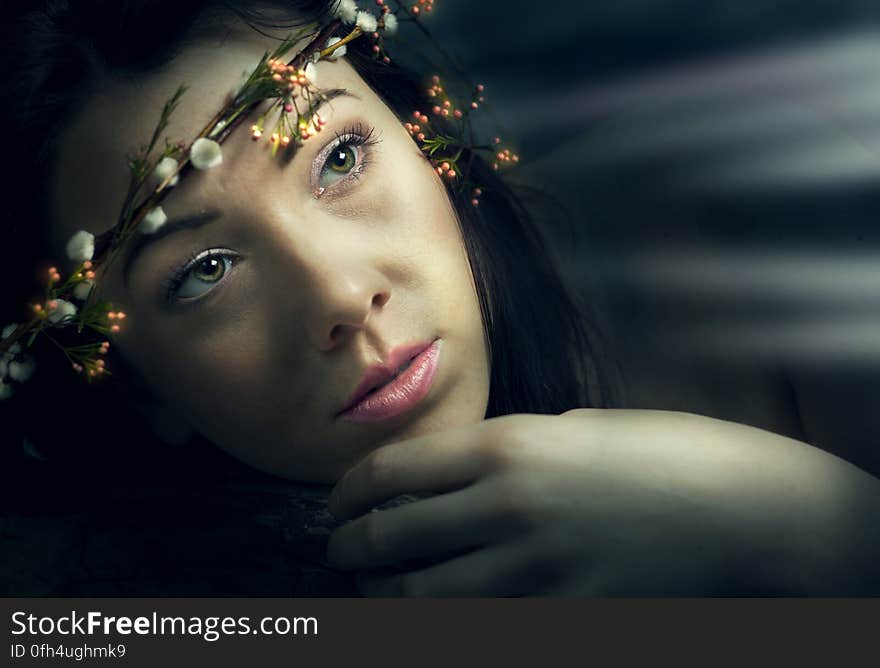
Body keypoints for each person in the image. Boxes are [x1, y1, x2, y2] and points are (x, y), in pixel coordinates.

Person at [1, 0, 878, 596]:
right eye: (203, 271)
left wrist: (797, 524)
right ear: (141, 389)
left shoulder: (770, 224)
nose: (343, 295)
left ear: (419, 137)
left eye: (338, 159)